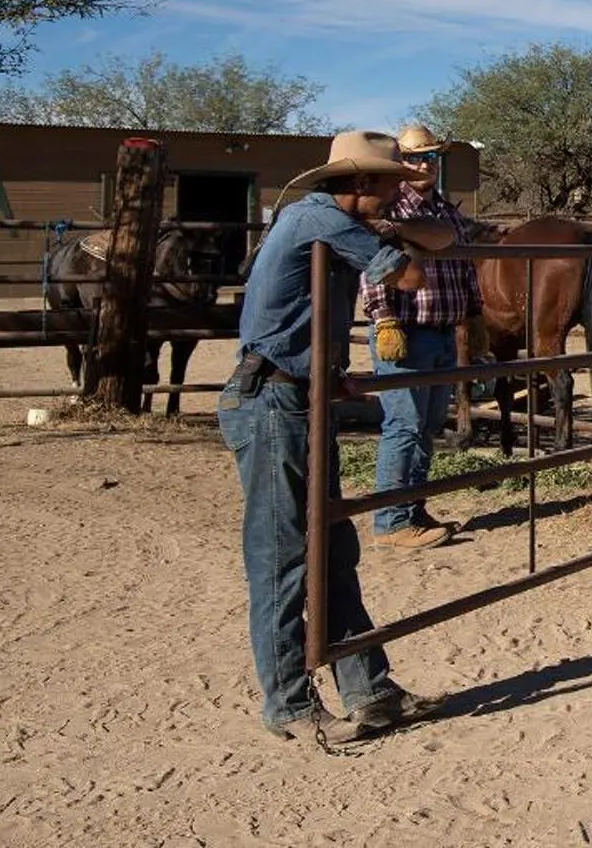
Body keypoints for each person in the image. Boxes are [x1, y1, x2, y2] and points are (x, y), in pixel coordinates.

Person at [222, 130, 453, 745]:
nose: (394, 197)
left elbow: (436, 242)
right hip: (273, 400)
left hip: (295, 392)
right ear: (361, 185)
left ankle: (370, 689)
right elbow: (410, 275)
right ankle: (290, 704)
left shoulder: (322, 220)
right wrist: (403, 236)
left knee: (330, 546)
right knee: (284, 555)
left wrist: (327, 373)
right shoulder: (319, 220)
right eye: (387, 186)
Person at [357, 123, 485, 551]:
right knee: (405, 425)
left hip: (443, 331)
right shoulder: (389, 211)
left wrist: (474, 315)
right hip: (407, 331)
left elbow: (463, 268)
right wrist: (383, 318)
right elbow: (375, 269)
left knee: (427, 425)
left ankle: (413, 508)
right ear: (400, 164)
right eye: (414, 158)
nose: (424, 164)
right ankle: (391, 520)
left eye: (430, 157)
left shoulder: (447, 213)